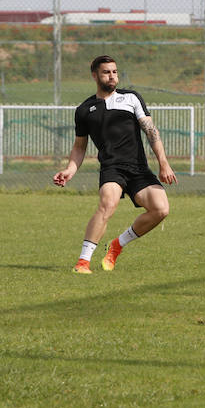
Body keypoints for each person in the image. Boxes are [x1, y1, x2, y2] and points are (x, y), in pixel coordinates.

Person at [53, 55, 177, 273]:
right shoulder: (84, 110)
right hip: (112, 168)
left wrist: (163, 164)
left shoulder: (131, 98)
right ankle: (83, 262)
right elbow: (80, 147)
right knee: (108, 204)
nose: (112, 76)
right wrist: (70, 169)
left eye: (115, 72)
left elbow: (151, 131)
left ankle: (117, 245)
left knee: (161, 209)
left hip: (138, 168)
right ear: (95, 75)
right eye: (106, 72)